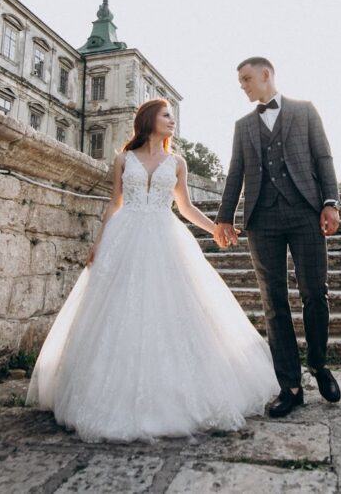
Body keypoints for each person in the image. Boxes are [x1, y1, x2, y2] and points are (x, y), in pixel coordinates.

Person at [26, 99, 279, 442]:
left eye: (172, 116)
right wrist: (99, 243)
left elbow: (185, 207)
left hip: (164, 235)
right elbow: (115, 203)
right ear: (149, 120)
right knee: (115, 311)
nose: (172, 121)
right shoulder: (122, 159)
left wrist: (216, 228)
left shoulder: (177, 162)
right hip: (124, 236)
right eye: (166, 115)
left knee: (171, 310)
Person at [213, 57, 341, 418]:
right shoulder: (243, 126)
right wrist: (224, 218)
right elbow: (235, 173)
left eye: (247, 78)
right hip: (261, 219)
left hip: (305, 211)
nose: (243, 86)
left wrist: (330, 202)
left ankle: (318, 364)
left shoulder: (305, 111)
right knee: (274, 302)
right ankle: (291, 385)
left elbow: (324, 157)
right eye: (240, 82)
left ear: (266, 74)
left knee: (315, 293)